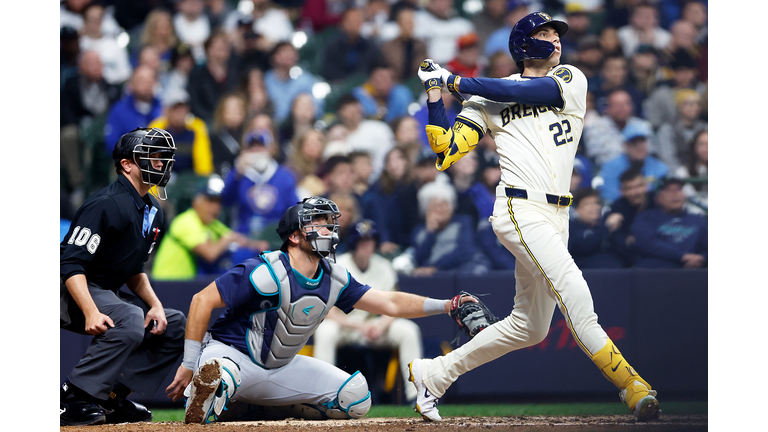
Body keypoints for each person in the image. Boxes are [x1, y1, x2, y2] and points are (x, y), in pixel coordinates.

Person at [410, 12, 660, 422]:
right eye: (544, 33)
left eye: (555, 33)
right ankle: (633, 386)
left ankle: (434, 374)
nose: (554, 40)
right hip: (518, 207)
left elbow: (533, 90)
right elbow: (447, 150)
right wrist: (436, 93)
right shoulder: (488, 96)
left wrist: (454, 81)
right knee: (575, 293)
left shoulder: (568, 79)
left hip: (558, 212)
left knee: (531, 326)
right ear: (524, 44)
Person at [164, 196, 475, 423]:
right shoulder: (264, 269)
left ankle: (255, 409)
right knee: (214, 382)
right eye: (319, 225)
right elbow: (201, 301)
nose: (329, 230)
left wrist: (446, 305)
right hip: (232, 357)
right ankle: (217, 392)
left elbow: (390, 302)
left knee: (356, 398)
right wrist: (189, 363)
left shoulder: (335, 276)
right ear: (295, 236)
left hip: (281, 366)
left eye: (330, 224)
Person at [60, 127, 186, 426]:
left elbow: (133, 268)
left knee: (173, 323)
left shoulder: (153, 209)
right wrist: (90, 311)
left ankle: (110, 399)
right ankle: (72, 399)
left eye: (163, 157)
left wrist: (155, 304)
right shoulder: (104, 203)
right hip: (66, 288)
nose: (161, 163)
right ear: (127, 164)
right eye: (153, 156)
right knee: (129, 318)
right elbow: (69, 264)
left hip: (102, 288)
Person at [312, 219, 423, 404]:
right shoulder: (336, 264)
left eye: (370, 241)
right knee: (325, 331)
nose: (367, 245)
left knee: (408, 330)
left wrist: (381, 325)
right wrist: (355, 325)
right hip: (346, 325)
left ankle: (417, 396)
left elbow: (393, 304)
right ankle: (322, 396)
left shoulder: (384, 266)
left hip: (374, 327)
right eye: (362, 241)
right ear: (354, 243)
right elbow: (326, 309)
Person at [151, 175, 263, 280]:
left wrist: (257, 245)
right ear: (196, 202)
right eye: (210, 200)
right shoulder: (185, 221)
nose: (215, 207)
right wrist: (227, 239)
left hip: (184, 286)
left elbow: (237, 238)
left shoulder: (212, 223)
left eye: (218, 202)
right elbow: (210, 254)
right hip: (165, 285)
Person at [220, 129, 298, 258]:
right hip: (244, 238)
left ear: (271, 149)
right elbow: (225, 202)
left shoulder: (284, 176)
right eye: (252, 148)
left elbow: (294, 211)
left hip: (274, 239)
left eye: (261, 147)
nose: (257, 152)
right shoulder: (240, 175)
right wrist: (236, 174)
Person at [630, 177, 707, 268]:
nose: (675, 194)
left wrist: (702, 259)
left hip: (694, 269)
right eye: (668, 190)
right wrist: (682, 256)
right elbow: (648, 243)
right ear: (658, 198)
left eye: (679, 189)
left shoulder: (698, 220)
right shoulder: (646, 218)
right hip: (656, 270)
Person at [596, 123, 669, 204]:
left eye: (642, 141)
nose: (639, 147)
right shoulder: (610, 166)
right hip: (623, 208)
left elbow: (664, 193)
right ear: (625, 145)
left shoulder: (659, 166)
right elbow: (609, 194)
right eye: (634, 143)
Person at [149, 87, 214, 177]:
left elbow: (203, 165)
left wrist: (202, 183)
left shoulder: (196, 129)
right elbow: (150, 167)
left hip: (189, 180)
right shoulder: (157, 130)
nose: (180, 113)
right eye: (176, 109)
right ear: (167, 111)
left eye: (183, 109)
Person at [582, 89, 656, 168]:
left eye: (625, 104)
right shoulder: (594, 127)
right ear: (607, 108)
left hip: (642, 170)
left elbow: (649, 153)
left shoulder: (643, 126)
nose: (621, 108)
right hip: (608, 172)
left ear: (632, 106)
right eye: (616, 105)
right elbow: (599, 158)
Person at [104, 65, 163, 154]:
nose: (147, 84)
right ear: (131, 84)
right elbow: (111, 143)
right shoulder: (119, 110)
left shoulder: (163, 109)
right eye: (141, 80)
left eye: (150, 80)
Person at [187, 29, 241, 125]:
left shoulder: (235, 71)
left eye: (225, 45)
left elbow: (238, 96)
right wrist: (215, 119)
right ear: (208, 49)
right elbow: (194, 103)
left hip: (232, 119)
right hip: (206, 120)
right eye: (218, 45)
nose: (223, 48)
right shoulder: (197, 74)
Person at [264, 42, 321, 125]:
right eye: (284, 52)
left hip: (300, 125)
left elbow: (317, 107)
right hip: (272, 125)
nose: (289, 55)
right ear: (274, 57)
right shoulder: (266, 80)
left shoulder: (305, 79)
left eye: (292, 52)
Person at [319, 7, 381, 83]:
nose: (357, 23)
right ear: (344, 22)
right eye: (354, 21)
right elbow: (329, 73)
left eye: (359, 20)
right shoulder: (332, 46)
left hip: (365, 88)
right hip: (339, 88)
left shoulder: (368, 46)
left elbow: (376, 68)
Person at [567, 188, 626, 269]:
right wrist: (607, 228)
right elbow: (584, 245)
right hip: (588, 275)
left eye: (596, 203)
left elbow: (623, 249)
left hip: (618, 273)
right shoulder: (571, 227)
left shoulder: (606, 224)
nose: (594, 207)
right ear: (577, 209)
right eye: (587, 204)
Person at [79, 1, 133, 86]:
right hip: (86, 88)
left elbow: (125, 74)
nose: (94, 23)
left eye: (98, 19)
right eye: (91, 19)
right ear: (84, 20)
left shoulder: (114, 45)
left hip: (113, 89)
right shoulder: (78, 44)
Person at [655, 89, 707, 171]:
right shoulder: (668, 129)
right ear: (679, 106)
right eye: (689, 104)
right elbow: (667, 157)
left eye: (697, 104)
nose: (694, 107)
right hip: (678, 173)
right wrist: (680, 172)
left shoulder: (705, 127)